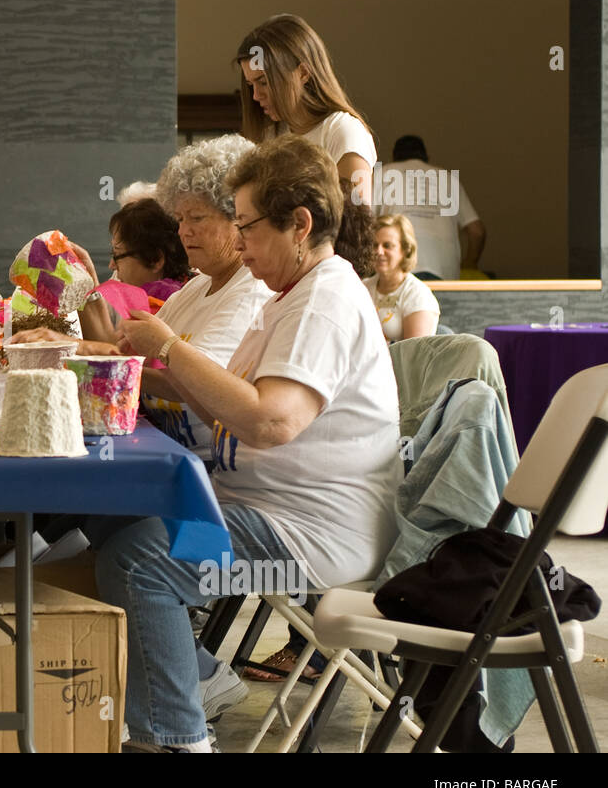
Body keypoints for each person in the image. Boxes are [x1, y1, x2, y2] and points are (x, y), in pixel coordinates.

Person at [96, 134, 398, 751]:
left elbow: (270, 422)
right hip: (267, 510)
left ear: (300, 225)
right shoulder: (295, 294)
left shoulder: (324, 304)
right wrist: (152, 366)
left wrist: (170, 349)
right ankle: (182, 688)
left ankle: (178, 737)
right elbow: (226, 405)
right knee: (108, 515)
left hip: (307, 538)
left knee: (138, 562)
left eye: (249, 227)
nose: (241, 241)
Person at [140, 134, 273, 462]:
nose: (184, 231)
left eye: (197, 218)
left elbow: (190, 383)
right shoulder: (193, 290)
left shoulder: (250, 292)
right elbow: (143, 355)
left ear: (237, 218)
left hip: (208, 472)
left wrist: (103, 358)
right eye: (180, 219)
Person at [235, 14, 377, 277]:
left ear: (302, 72)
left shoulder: (342, 131)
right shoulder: (269, 137)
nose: (256, 96)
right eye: (251, 84)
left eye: (264, 82)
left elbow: (355, 230)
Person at [10, 197, 190, 355]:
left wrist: (63, 343)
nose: (112, 265)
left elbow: (123, 363)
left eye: (117, 254)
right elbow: (110, 349)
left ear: (155, 259)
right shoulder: (145, 296)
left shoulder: (172, 308)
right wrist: (89, 286)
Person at [380, 135, 485, 280]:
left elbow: (364, 222)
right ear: (426, 156)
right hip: (444, 272)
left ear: (394, 156)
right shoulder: (447, 178)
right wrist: (470, 263)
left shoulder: (383, 173)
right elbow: (477, 232)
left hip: (401, 268)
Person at [365, 214, 440, 342]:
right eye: (374, 245)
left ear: (406, 249)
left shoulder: (418, 295)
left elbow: (413, 356)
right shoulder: (363, 287)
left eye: (387, 245)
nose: (379, 251)